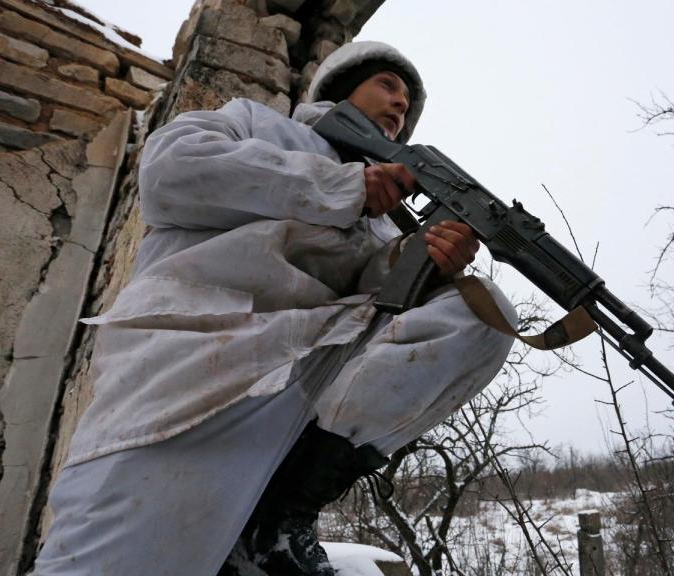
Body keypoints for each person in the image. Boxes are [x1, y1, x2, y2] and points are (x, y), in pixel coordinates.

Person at [33, 41, 516, 575]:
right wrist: (344, 186)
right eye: (387, 85)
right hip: (196, 372)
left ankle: (281, 515)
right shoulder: (254, 125)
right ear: (339, 88)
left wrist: (418, 258)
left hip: (306, 376)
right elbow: (170, 172)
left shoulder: (385, 217)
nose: (400, 105)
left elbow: (370, 298)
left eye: (407, 101)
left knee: (481, 313)